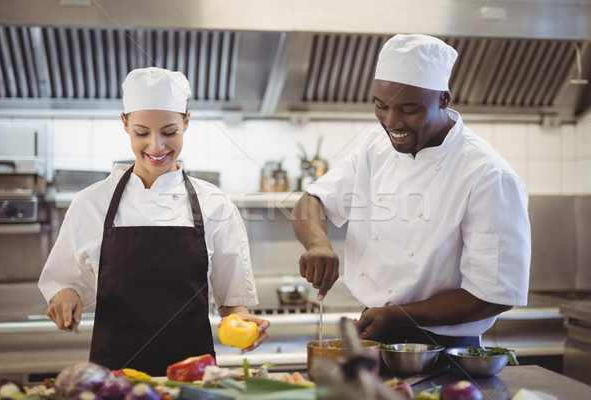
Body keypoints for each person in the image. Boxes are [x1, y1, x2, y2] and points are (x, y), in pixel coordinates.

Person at [292, 34, 531, 348]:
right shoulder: (375, 147)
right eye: (382, 106)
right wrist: (318, 244)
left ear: (444, 100)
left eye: (409, 109)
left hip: (446, 349)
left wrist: (397, 316)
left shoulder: (487, 174)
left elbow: (495, 294)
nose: (392, 122)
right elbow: (312, 201)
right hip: (376, 330)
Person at [39, 67, 269, 376]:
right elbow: (65, 282)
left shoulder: (215, 205)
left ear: (186, 121)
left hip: (193, 381)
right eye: (142, 133)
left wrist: (242, 324)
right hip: (114, 381)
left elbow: (231, 303)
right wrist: (66, 296)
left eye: (169, 132)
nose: (156, 147)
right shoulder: (91, 203)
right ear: (125, 123)